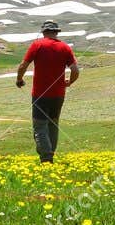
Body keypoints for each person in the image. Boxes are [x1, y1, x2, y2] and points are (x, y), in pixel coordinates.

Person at [15, 21, 78, 163]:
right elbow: (75, 70)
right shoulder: (65, 47)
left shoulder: (37, 45)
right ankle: (50, 154)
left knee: (40, 125)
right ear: (57, 32)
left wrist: (19, 79)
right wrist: (69, 82)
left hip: (40, 94)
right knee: (53, 124)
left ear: (43, 32)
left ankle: (46, 158)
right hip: (58, 94)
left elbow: (23, 65)